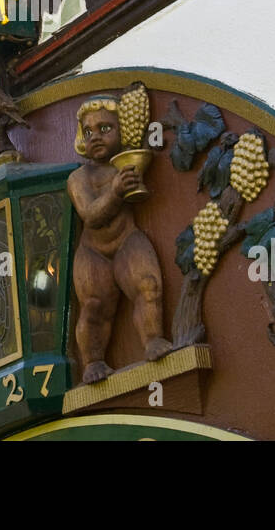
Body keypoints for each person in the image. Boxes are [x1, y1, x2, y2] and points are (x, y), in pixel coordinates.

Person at [67, 97, 172, 383]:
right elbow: (90, 215)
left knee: (148, 285)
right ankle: (92, 361)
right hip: (93, 251)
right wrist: (115, 192)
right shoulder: (78, 178)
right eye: (88, 132)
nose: (96, 137)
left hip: (127, 239)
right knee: (93, 306)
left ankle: (152, 340)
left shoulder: (124, 165)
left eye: (104, 128)